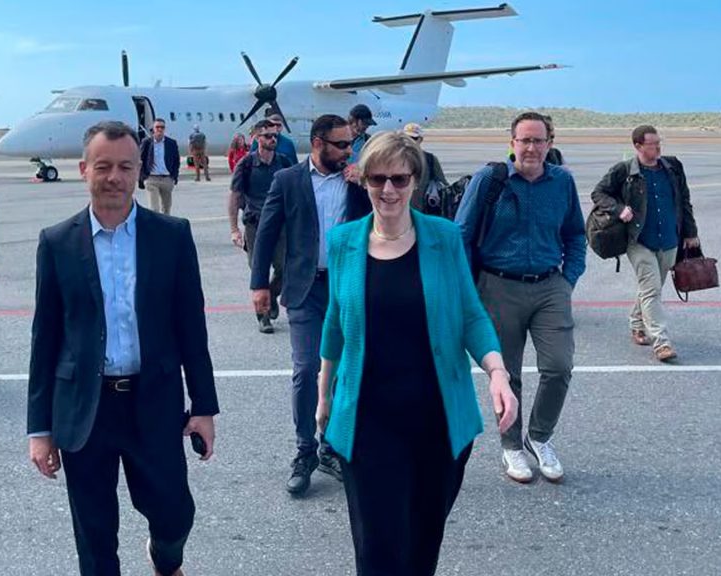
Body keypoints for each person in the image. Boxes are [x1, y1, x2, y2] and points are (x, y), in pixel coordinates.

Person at [316, 132, 517, 576]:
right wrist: (323, 392)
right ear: (364, 181)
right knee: (378, 551)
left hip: (436, 420)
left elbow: (471, 313)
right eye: (377, 179)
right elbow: (334, 322)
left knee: (422, 546)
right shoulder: (344, 241)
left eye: (399, 179)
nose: (388, 190)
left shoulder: (443, 237)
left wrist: (498, 373)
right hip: (368, 420)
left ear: (415, 182)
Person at [27, 121, 218, 576]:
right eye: (103, 166)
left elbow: (191, 327)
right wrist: (39, 429)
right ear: (84, 170)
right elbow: (45, 337)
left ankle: (164, 556)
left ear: (138, 171)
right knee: (94, 535)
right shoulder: (57, 242)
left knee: (174, 513)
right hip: (85, 407)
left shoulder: (171, 236)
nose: (114, 177)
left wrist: (204, 407)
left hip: (152, 400)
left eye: (125, 167)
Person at [454, 111, 586, 484]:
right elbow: (461, 234)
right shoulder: (489, 179)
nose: (531, 148)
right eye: (524, 140)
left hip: (549, 285)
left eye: (538, 140)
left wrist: (568, 280)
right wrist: (467, 289)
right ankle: (511, 445)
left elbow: (576, 234)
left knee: (559, 366)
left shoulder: (562, 181)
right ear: (512, 142)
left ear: (549, 143)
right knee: (506, 373)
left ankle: (539, 437)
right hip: (499, 285)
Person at [250, 114, 371, 496]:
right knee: (306, 370)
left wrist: (366, 185)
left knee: (343, 371)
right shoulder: (288, 180)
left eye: (350, 144)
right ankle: (305, 451)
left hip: (347, 287)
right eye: (342, 144)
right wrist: (259, 284)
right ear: (318, 143)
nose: (349, 151)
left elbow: (386, 220)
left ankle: (331, 446)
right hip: (305, 288)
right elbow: (267, 231)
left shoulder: (357, 181)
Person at [591, 125, 700, 361]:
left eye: (659, 142)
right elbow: (598, 193)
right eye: (652, 144)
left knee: (652, 287)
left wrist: (691, 232)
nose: (658, 148)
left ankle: (637, 323)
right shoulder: (624, 170)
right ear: (638, 146)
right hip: (639, 240)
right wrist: (619, 209)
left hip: (670, 239)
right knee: (651, 289)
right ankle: (661, 342)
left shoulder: (673, 167)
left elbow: (684, 200)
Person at [229, 120, 295, 334]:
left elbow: (295, 192)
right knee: (258, 269)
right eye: (267, 135)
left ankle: (272, 295)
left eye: (275, 135)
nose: (273, 139)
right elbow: (235, 196)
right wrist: (234, 229)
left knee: (284, 268)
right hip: (255, 224)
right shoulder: (246, 164)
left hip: (280, 224)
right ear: (257, 138)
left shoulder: (284, 162)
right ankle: (263, 316)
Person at [138, 118, 181, 214]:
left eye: (162, 127)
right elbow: (140, 159)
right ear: (153, 129)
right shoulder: (147, 142)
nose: (160, 129)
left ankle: (164, 224)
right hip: (151, 179)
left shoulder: (171, 143)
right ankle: (155, 223)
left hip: (167, 179)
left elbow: (176, 161)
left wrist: (174, 177)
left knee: (166, 209)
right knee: (154, 209)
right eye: (157, 127)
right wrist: (143, 177)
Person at [402, 122, 448, 210]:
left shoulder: (430, 159)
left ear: (420, 140)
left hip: (423, 210)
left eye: (414, 138)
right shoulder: (394, 159)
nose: (409, 141)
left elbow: (443, 184)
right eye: (406, 138)